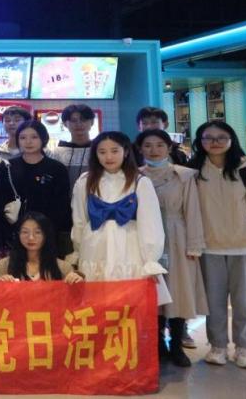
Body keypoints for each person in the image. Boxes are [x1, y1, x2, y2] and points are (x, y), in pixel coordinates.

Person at [188, 121, 246, 369]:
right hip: (208, 247)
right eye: (208, 138)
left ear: (231, 140)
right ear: (200, 141)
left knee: (244, 302)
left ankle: (245, 348)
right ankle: (217, 347)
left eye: (221, 137)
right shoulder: (193, 170)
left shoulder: (245, 169)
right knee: (213, 302)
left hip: (244, 246)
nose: (214, 142)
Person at [71, 132, 171, 327]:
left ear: (125, 152)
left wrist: (150, 259)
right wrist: (77, 251)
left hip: (129, 247)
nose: (108, 157)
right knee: (95, 305)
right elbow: (79, 220)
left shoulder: (140, 182)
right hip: (94, 247)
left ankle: (128, 344)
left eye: (114, 151)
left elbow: (151, 223)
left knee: (128, 306)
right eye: (102, 152)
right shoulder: (85, 181)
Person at [137, 129, 207, 367]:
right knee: (152, 292)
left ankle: (176, 345)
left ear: (169, 148)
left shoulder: (184, 176)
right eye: (148, 145)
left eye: (159, 145)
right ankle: (157, 346)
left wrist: (195, 245)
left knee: (179, 292)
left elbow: (193, 211)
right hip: (146, 240)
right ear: (140, 149)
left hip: (177, 238)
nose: (153, 150)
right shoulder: (135, 176)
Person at [0, 120, 72, 255]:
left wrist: (48, 231)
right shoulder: (7, 167)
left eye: (34, 137)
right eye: (23, 137)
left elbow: (62, 206)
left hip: (48, 235)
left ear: (43, 139)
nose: (28, 142)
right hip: (14, 235)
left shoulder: (57, 169)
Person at [0, 212, 84, 283]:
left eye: (37, 232)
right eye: (25, 232)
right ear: (18, 235)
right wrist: (0, 287)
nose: (31, 237)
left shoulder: (63, 268)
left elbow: (75, 300)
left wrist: (77, 282)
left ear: (46, 235)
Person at [48, 104, 95, 188]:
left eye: (83, 119)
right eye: (73, 120)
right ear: (65, 124)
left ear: (92, 122)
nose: (79, 124)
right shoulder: (57, 152)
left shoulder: (99, 150)